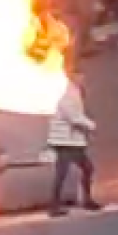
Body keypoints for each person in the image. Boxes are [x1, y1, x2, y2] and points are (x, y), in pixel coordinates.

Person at [47, 71, 101, 217]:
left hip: (70, 140)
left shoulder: (74, 93)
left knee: (84, 169)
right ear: (74, 78)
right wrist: (91, 125)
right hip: (65, 141)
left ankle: (85, 200)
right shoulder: (68, 95)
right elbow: (74, 117)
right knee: (65, 173)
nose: (84, 80)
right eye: (81, 77)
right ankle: (55, 205)